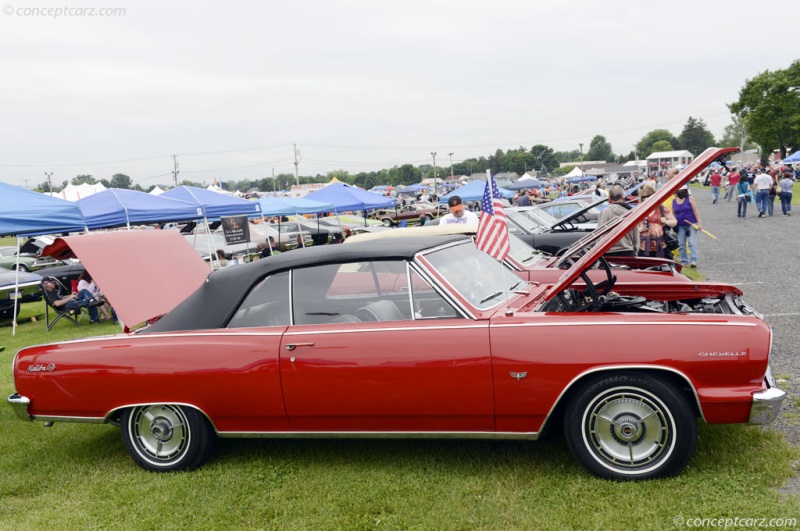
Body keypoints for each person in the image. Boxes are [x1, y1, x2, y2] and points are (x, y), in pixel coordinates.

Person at [597, 184, 638, 257]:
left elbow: (600, 235)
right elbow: (636, 236)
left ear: (609, 198)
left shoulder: (605, 212)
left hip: (608, 252)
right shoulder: (631, 212)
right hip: (627, 251)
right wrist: (635, 251)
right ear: (622, 197)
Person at [637, 185, 677, 258]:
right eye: (644, 197)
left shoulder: (662, 209)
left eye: (648, 196)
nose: (646, 198)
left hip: (660, 246)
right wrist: (639, 229)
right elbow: (630, 228)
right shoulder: (638, 210)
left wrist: (666, 221)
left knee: (661, 267)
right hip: (643, 246)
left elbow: (674, 222)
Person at [672, 184, 702, 268]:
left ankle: (693, 260)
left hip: (691, 224)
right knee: (681, 244)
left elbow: (696, 211)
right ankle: (684, 261)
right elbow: (673, 213)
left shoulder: (690, 199)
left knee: (692, 243)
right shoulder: (674, 201)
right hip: (680, 225)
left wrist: (699, 223)